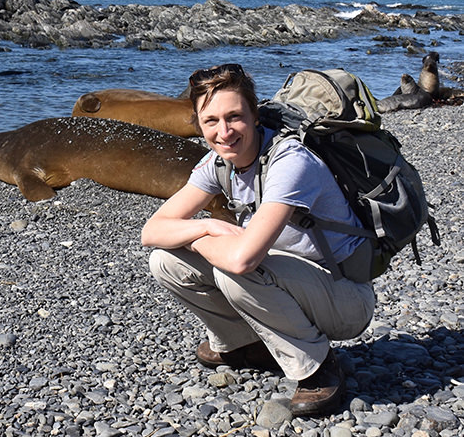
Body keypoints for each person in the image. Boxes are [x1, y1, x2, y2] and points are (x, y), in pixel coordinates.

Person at [141, 63, 375, 417]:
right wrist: (208, 228)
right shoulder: (218, 163)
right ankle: (245, 345)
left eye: (234, 117)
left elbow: (241, 260)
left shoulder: (290, 161)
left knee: (233, 269)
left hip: (344, 299)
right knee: (165, 261)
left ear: (254, 116)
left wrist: (200, 235)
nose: (224, 131)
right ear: (198, 124)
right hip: (286, 282)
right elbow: (152, 232)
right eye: (211, 121)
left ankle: (317, 366)